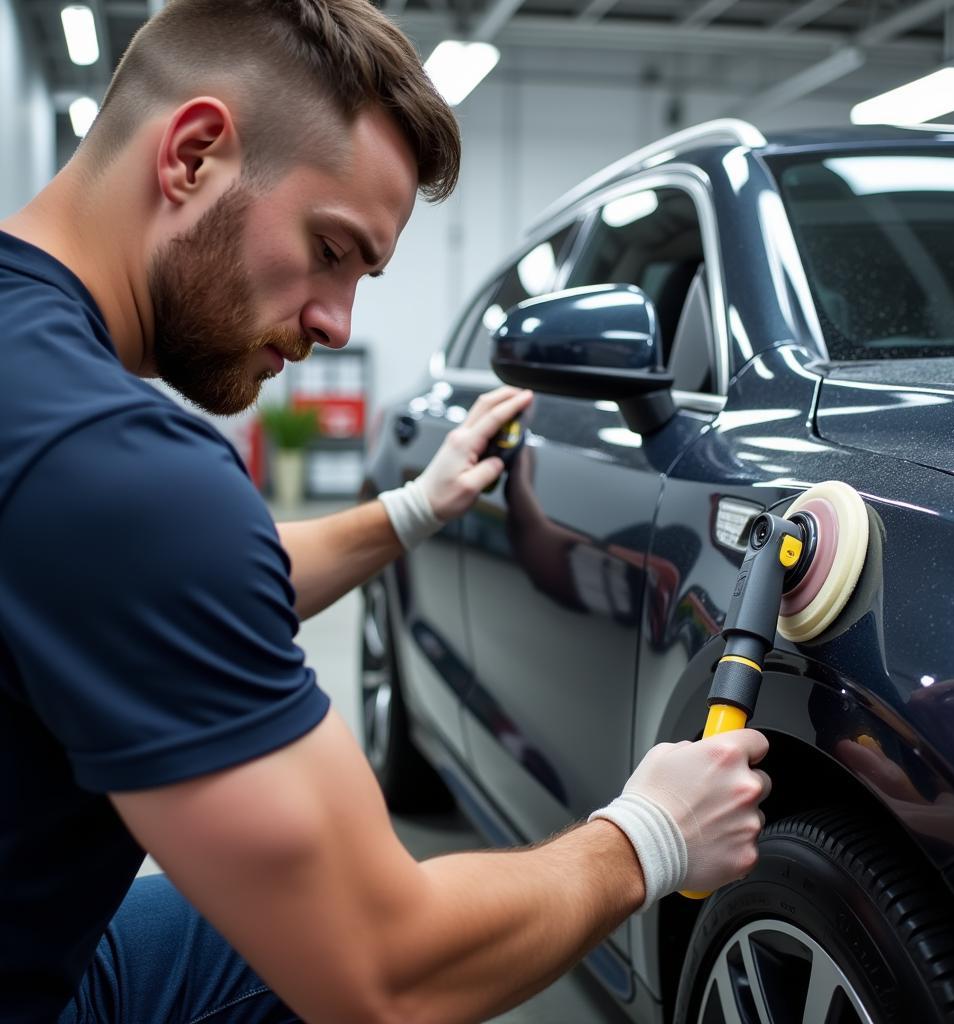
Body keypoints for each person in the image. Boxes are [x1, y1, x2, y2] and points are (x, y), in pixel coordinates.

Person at [0, 1, 770, 1021]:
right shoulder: (120, 467)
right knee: (322, 942)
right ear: (192, 156)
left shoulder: (44, 406)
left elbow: (156, 583)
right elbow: (384, 974)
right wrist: (650, 835)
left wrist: (414, 506)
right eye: (330, 248)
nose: (335, 321)